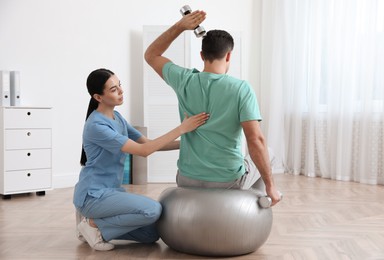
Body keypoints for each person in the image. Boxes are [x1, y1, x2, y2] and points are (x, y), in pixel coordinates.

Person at [144, 10, 281, 205]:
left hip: (186, 179)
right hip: (228, 182)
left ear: (202, 55)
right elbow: (255, 140)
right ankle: (256, 204)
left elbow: (151, 54)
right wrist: (271, 185)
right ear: (228, 55)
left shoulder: (183, 80)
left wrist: (180, 26)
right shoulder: (241, 88)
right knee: (269, 152)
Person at [73, 68, 209, 251]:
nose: (121, 91)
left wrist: (188, 144)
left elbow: (149, 143)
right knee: (152, 210)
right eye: (114, 89)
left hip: (112, 192)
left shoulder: (117, 117)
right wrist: (182, 128)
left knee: (151, 234)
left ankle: (93, 226)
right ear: (98, 97)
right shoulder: (96, 126)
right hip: (93, 196)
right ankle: (93, 225)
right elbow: (144, 151)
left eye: (119, 85)